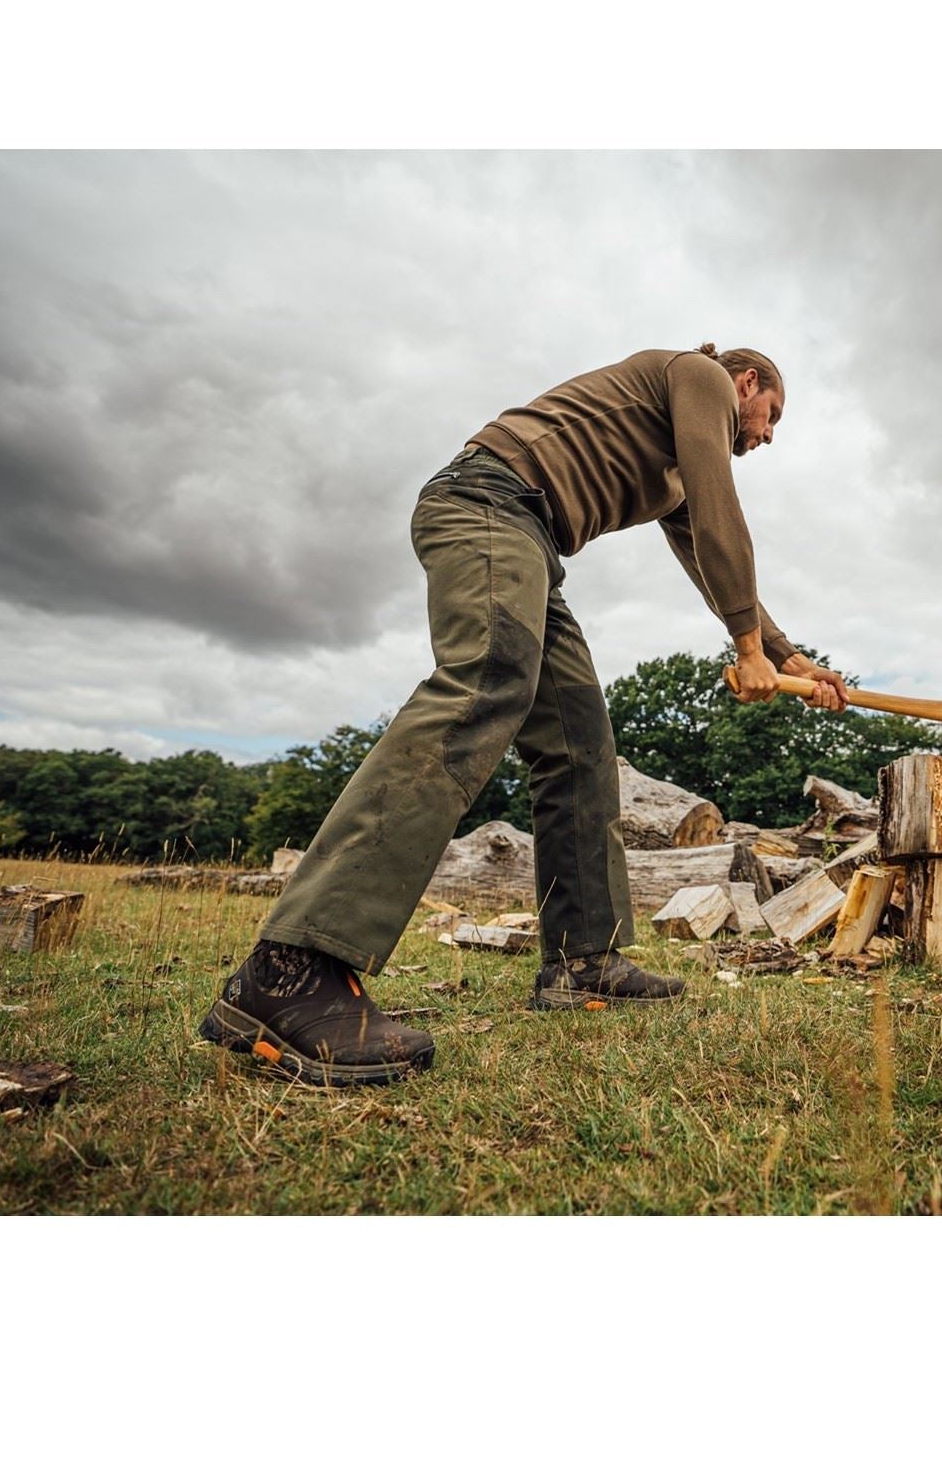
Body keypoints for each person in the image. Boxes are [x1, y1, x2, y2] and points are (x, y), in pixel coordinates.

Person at [198, 344, 848, 1087]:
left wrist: (788, 657)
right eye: (772, 417)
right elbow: (721, 499)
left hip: (530, 540)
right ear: (748, 382)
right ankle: (293, 966)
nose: (767, 436)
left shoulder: (670, 472)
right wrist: (743, 645)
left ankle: (584, 961)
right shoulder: (697, 376)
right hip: (485, 504)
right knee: (487, 682)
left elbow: (708, 545)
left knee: (580, 741)